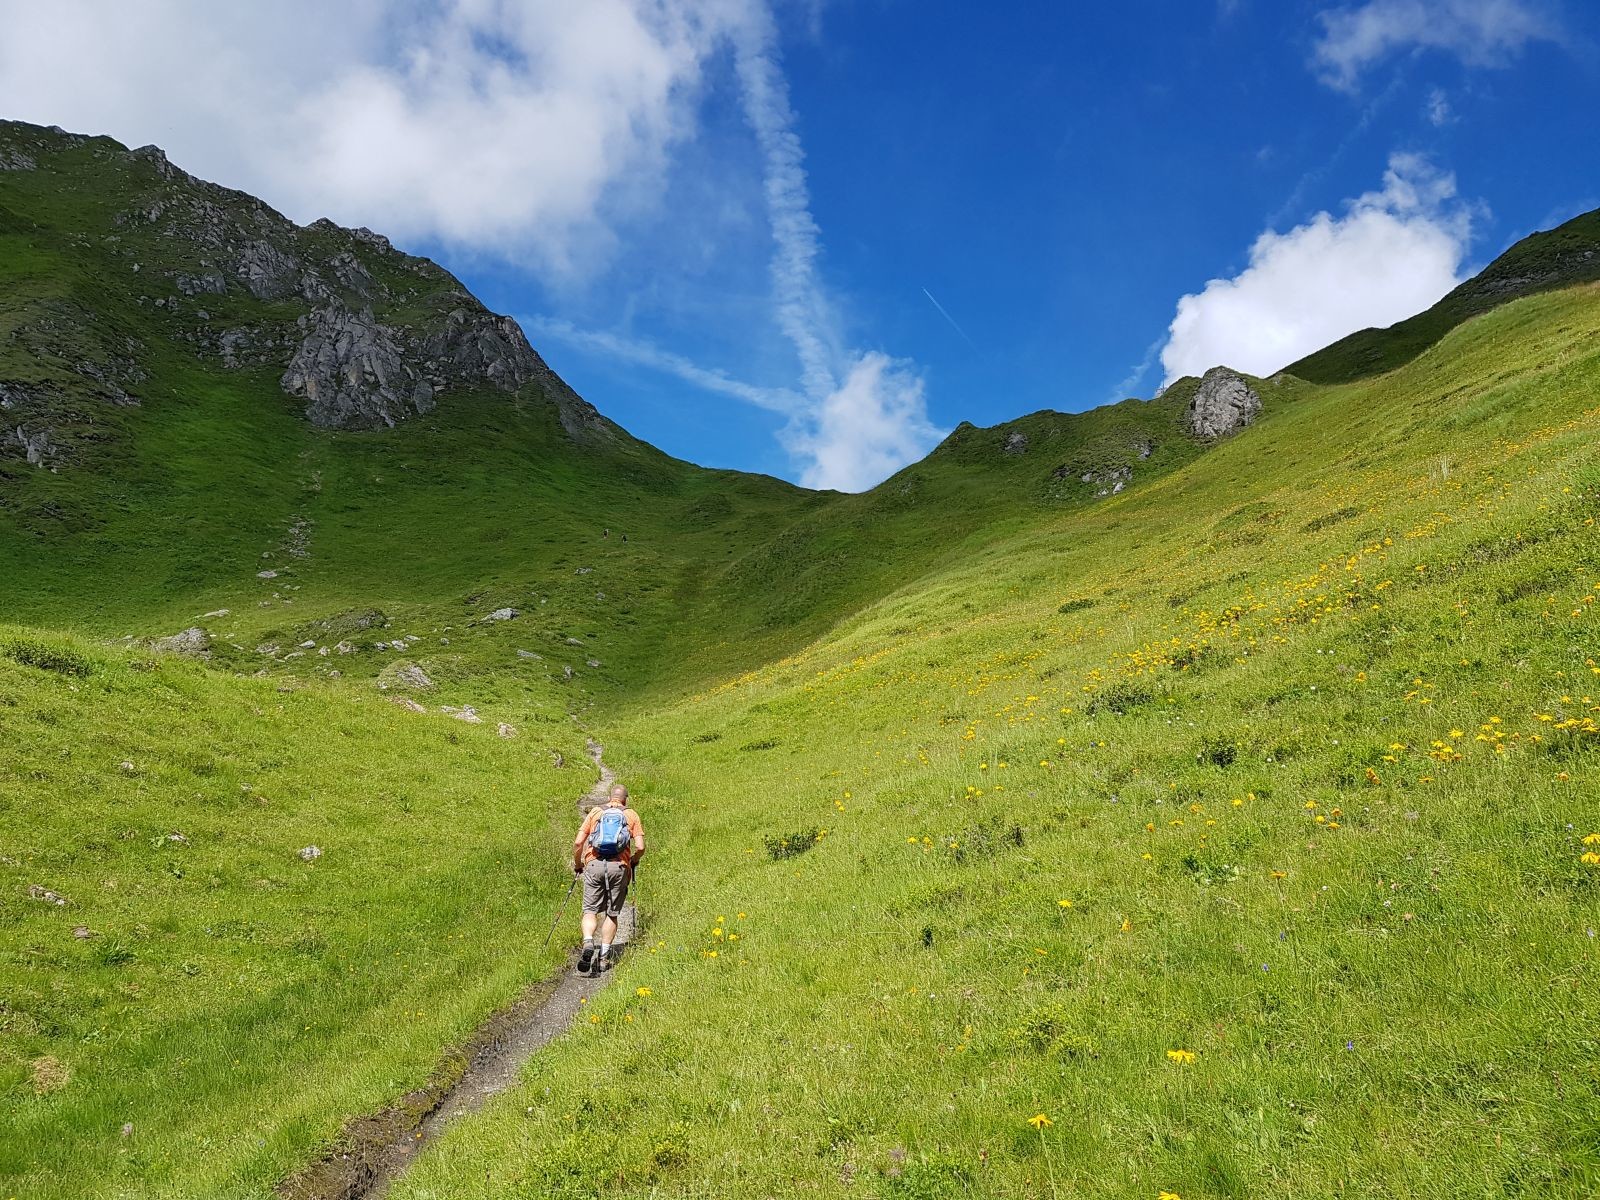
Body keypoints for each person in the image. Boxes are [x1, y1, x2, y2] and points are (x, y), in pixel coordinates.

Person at [572, 783, 645, 973]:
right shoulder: (631, 815)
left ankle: (588, 942)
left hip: (594, 865)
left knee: (589, 910)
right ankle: (603, 958)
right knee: (612, 913)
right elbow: (641, 847)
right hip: (619, 867)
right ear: (625, 799)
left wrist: (579, 864)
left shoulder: (596, 812)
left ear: (609, 797)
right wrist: (633, 861)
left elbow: (578, 842)